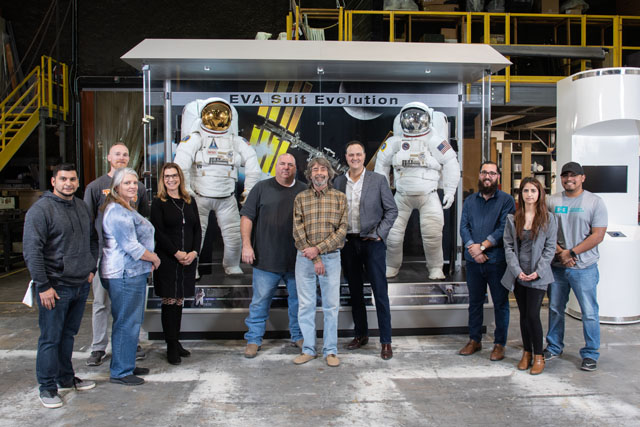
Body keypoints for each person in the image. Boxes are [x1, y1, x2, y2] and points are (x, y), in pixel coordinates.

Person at [23, 163, 98, 408]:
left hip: (79, 284)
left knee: (68, 336)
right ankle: (47, 388)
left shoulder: (81, 206)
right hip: (55, 287)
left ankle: (65, 378)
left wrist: (91, 267)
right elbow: (32, 252)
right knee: (50, 339)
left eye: (73, 179)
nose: (69, 183)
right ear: (53, 181)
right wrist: (43, 286)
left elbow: (92, 239)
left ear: (78, 182)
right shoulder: (40, 211)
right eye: (63, 179)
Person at [174, 97, 261, 275]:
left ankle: (231, 265)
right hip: (199, 197)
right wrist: (186, 191)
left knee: (234, 237)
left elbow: (253, 163)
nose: (216, 118)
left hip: (227, 197)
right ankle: (192, 268)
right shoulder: (195, 138)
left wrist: (250, 191)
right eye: (212, 114)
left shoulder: (234, 140)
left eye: (221, 114)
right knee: (196, 236)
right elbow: (180, 165)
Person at [374, 101, 460, 280]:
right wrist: (382, 193)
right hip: (401, 195)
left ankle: (436, 268)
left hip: (428, 195)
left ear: (427, 118)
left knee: (433, 234)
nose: (413, 121)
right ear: (401, 120)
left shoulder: (435, 141)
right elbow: (381, 164)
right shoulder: (395, 142)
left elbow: (451, 162)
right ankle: (391, 265)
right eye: (409, 117)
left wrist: (450, 191)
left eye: (418, 117)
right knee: (393, 236)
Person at [84, 142, 148, 367]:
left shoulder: (138, 187)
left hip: (132, 257)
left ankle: (133, 343)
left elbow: (145, 219)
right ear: (109, 157)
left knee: (129, 303)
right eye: (117, 154)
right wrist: (92, 259)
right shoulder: (95, 187)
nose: (122, 157)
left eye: (126, 154)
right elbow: (88, 223)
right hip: (105, 255)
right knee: (101, 302)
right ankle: (98, 347)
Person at [334, 141, 398, 360]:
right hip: (348, 244)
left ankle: (386, 341)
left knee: (380, 293)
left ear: (364, 156)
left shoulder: (378, 180)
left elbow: (391, 210)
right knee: (355, 292)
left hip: (373, 242)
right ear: (346, 157)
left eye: (358, 154)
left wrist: (380, 233)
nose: (355, 158)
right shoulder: (338, 181)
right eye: (351, 154)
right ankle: (361, 334)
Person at [240, 153, 306, 358]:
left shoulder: (304, 190)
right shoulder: (261, 188)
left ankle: (298, 336)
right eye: (282, 164)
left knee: (299, 303)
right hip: (265, 259)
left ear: (296, 168)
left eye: (290, 164)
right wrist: (246, 246)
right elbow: (247, 217)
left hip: (298, 261)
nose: (286, 167)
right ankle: (253, 339)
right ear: (276, 166)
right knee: (259, 302)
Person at [545, 161, 608, 372]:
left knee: (589, 312)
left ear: (582, 178)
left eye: (574, 175)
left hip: (585, 268)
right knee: (555, 309)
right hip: (557, 267)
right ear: (561, 178)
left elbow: (598, 235)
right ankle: (554, 346)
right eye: (565, 175)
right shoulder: (552, 200)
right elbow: (544, 229)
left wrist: (571, 253)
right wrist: (561, 252)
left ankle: (590, 353)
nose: (569, 179)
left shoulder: (595, 202)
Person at [101, 167, 160, 386]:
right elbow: (131, 246)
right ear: (116, 186)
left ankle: (125, 363)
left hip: (133, 272)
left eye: (134, 183)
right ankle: (120, 371)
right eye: (127, 183)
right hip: (124, 274)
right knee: (126, 322)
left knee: (130, 322)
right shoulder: (117, 211)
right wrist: (153, 258)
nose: (132, 186)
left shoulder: (127, 208)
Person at [292, 157, 347, 367]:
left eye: (323, 169)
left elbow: (342, 230)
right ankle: (308, 349)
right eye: (315, 169)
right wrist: (314, 256)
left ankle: (330, 351)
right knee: (305, 305)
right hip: (305, 259)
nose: (319, 172)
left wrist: (319, 250)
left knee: (331, 306)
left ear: (329, 173)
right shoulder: (300, 198)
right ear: (309, 174)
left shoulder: (339, 198)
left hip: (331, 258)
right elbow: (297, 230)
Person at [459, 161, 515, 361]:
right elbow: (463, 227)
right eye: (484, 172)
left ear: (498, 176)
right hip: (474, 262)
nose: (487, 176)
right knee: (474, 302)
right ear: (479, 175)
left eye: (492, 173)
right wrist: (473, 248)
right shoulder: (470, 201)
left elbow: (503, 229)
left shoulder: (507, 201)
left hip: (496, 261)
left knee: (500, 304)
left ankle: (499, 344)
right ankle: (474, 340)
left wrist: (482, 247)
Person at [501, 177, 557, 375]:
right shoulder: (513, 218)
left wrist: (537, 272)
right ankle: (526, 353)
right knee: (523, 316)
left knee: (533, 315)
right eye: (526, 191)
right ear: (521, 194)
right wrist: (518, 272)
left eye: (533, 190)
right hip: (519, 275)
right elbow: (508, 247)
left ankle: (539, 356)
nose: (529, 194)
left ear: (539, 193)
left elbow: (550, 249)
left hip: (538, 276)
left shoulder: (549, 219)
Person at [150, 163, 201, 365]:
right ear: (162, 180)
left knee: (179, 301)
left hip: (187, 260)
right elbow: (158, 232)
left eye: (174, 175)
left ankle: (176, 340)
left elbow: (198, 228)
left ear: (180, 177)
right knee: (169, 302)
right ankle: (171, 345)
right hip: (168, 260)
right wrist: (177, 252)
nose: (171, 179)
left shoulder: (189, 201)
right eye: (167, 176)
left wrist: (194, 252)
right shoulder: (158, 202)